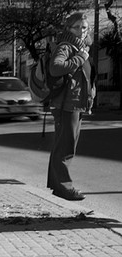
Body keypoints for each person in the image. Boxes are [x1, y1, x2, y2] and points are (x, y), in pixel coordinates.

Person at [47, 12, 95, 201]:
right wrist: (80, 58)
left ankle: (58, 185)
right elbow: (55, 68)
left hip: (75, 103)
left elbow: (84, 77)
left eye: (84, 27)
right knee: (66, 147)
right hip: (67, 103)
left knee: (62, 145)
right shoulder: (66, 47)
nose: (81, 31)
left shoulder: (81, 48)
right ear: (68, 28)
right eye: (77, 27)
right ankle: (65, 187)